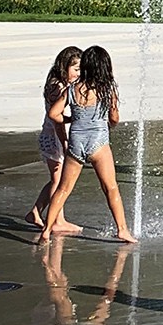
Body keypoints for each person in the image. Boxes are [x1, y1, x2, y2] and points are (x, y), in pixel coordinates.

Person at [39, 45, 135, 244]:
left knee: (63, 189)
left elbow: (53, 114)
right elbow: (115, 117)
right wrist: (110, 125)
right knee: (111, 188)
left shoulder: (72, 89)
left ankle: (47, 230)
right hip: (99, 143)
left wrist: (70, 120)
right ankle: (123, 230)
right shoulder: (107, 89)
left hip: (76, 143)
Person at [27, 46, 84, 234]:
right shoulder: (56, 86)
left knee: (57, 179)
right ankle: (58, 220)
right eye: (76, 69)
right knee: (59, 180)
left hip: (58, 134)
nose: (78, 74)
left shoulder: (61, 84)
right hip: (54, 137)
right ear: (64, 66)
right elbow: (56, 118)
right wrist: (65, 142)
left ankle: (36, 212)